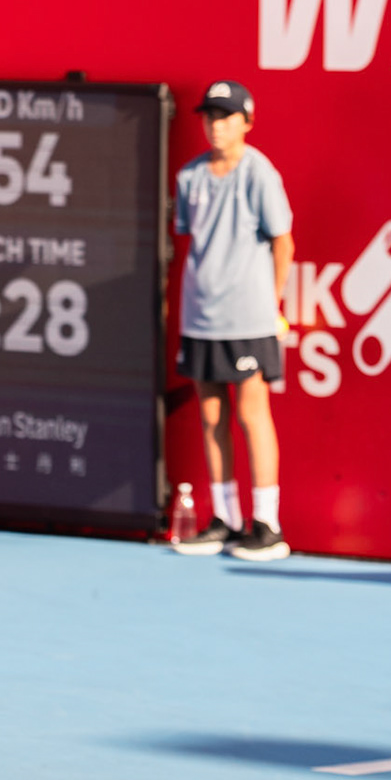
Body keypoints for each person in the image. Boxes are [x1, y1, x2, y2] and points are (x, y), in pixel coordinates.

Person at [168, 79, 295, 561]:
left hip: (251, 319)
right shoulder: (190, 178)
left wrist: (272, 304)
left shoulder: (260, 174)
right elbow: (192, 241)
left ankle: (268, 524)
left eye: (225, 116)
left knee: (250, 413)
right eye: (209, 116)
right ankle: (226, 519)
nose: (215, 125)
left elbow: (284, 242)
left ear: (247, 121)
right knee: (212, 416)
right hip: (202, 318)